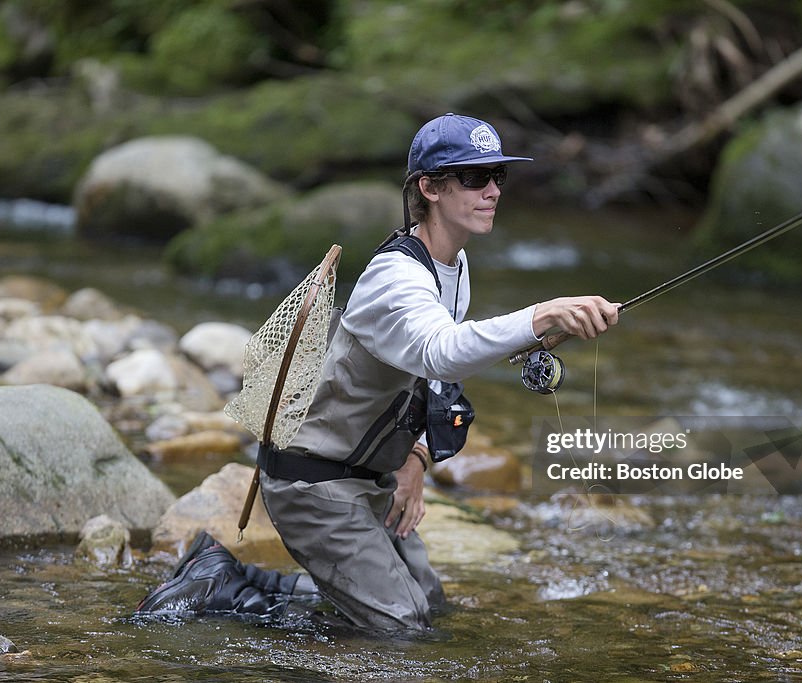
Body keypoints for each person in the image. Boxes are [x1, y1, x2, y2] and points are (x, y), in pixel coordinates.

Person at [136, 113, 619, 630]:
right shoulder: (395, 277)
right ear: (429, 187)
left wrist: (417, 456)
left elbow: (435, 381)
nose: (493, 191)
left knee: (429, 604)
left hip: (368, 480)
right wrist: (539, 315)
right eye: (476, 178)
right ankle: (222, 589)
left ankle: (241, 579)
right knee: (402, 627)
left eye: (498, 176)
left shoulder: (453, 268)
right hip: (313, 484)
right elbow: (441, 352)